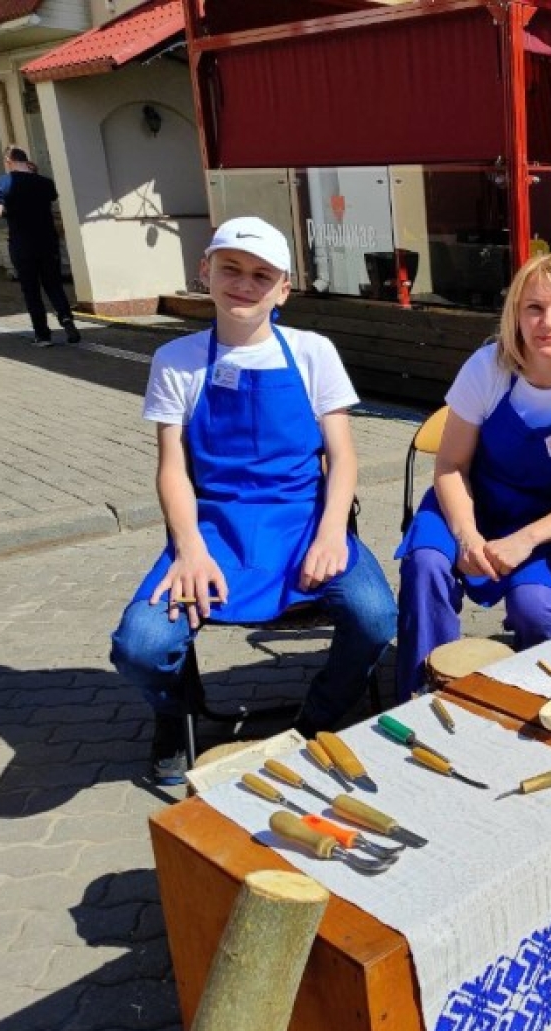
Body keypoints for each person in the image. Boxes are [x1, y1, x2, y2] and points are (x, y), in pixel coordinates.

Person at [110, 217, 397, 784]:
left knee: (375, 616)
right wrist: (188, 549)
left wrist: (334, 531)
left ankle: (313, 721)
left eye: (261, 275)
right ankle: (174, 713)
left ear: (283, 289)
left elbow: (343, 458)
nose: (245, 283)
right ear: (206, 272)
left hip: (304, 524)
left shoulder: (313, 353)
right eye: (231, 269)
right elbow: (172, 470)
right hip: (213, 530)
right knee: (139, 645)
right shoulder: (177, 360)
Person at [394, 253, 551, 702]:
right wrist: (466, 536)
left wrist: (526, 540)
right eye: (534, 308)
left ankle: (531, 705)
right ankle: (424, 697)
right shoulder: (487, 369)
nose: (548, 322)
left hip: (538, 525)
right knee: (426, 567)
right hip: (465, 507)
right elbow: (450, 465)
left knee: (536, 612)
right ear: (515, 315)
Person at [0, 145, 80, 347]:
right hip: (47, 241)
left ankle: (43, 335)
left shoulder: (3, 182)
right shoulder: (45, 183)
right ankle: (67, 320)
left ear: (8, 161)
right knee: (54, 284)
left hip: (22, 243)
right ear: (26, 161)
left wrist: (11, 212)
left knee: (31, 290)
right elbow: (51, 200)